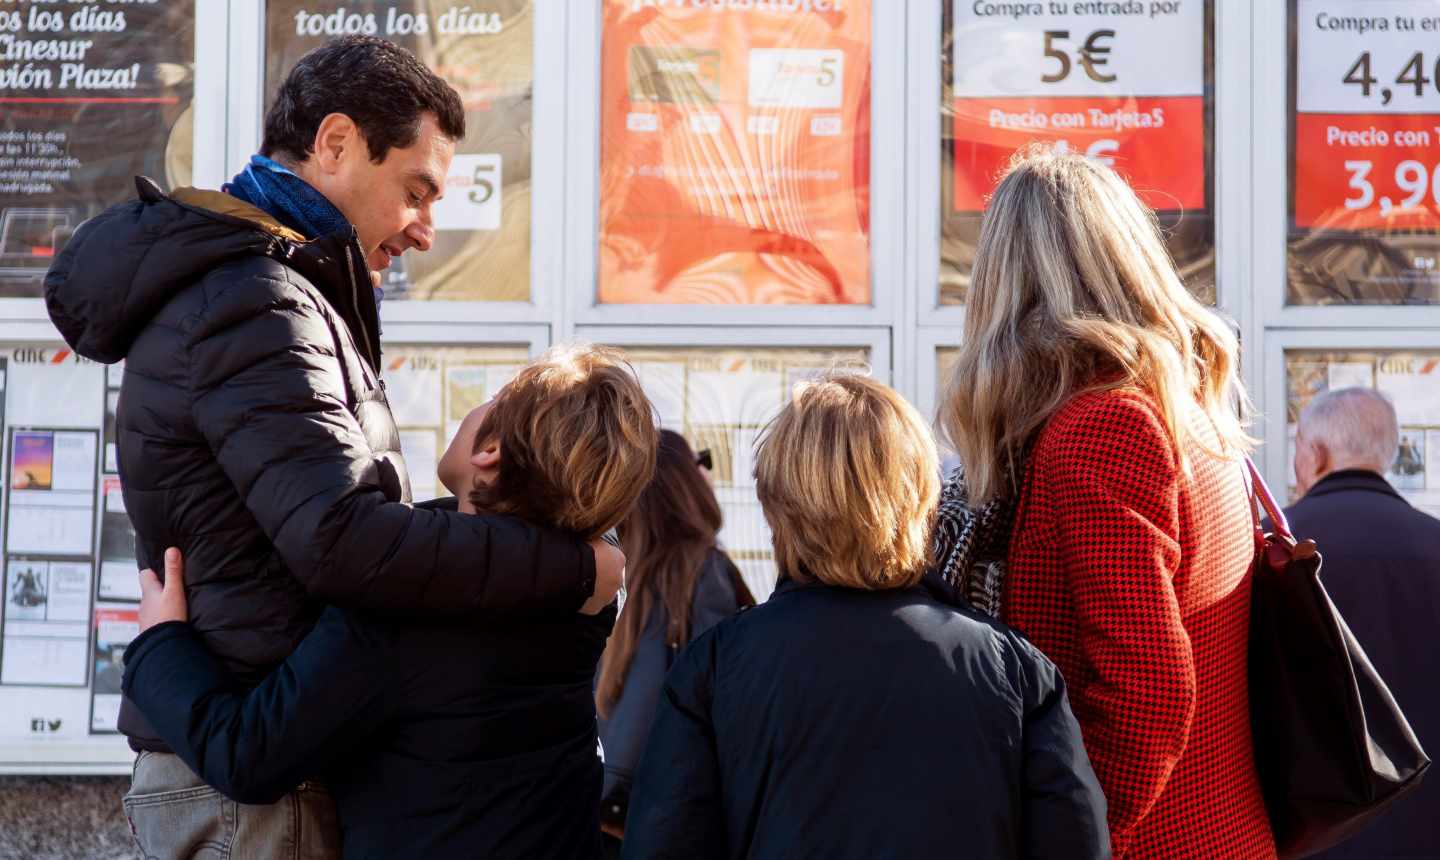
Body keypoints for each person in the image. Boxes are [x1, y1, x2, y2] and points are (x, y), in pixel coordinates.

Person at [43, 36, 621, 858]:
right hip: (253, 783)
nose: (426, 229)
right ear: (338, 143)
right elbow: (344, 539)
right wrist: (572, 568)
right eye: (416, 192)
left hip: (257, 755)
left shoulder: (277, 291)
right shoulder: (258, 302)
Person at [121, 344, 656, 860]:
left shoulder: (407, 609)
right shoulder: (586, 593)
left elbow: (249, 755)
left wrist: (159, 644)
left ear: (489, 450)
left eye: (492, 399)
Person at [936, 150, 1275, 858]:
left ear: (1008, 284)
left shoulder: (1104, 427)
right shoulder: (1185, 408)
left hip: (1150, 840)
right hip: (1212, 829)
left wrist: (1075, 841)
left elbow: (1147, 690)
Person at [621, 373, 1109, 859]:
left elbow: (664, 844)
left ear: (776, 508)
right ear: (921, 498)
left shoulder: (715, 668)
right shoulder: (1016, 670)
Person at [1286, 387, 1440, 860]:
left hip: (1312, 830)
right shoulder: (1434, 544)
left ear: (1315, 453)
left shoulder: (1274, 550)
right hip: (1426, 825)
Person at [595, 429, 756, 850]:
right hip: (664, 812)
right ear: (683, 480)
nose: (708, 472)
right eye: (699, 461)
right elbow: (719, 699)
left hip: (605, 806)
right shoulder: (698, 573)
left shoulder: (616, 572)